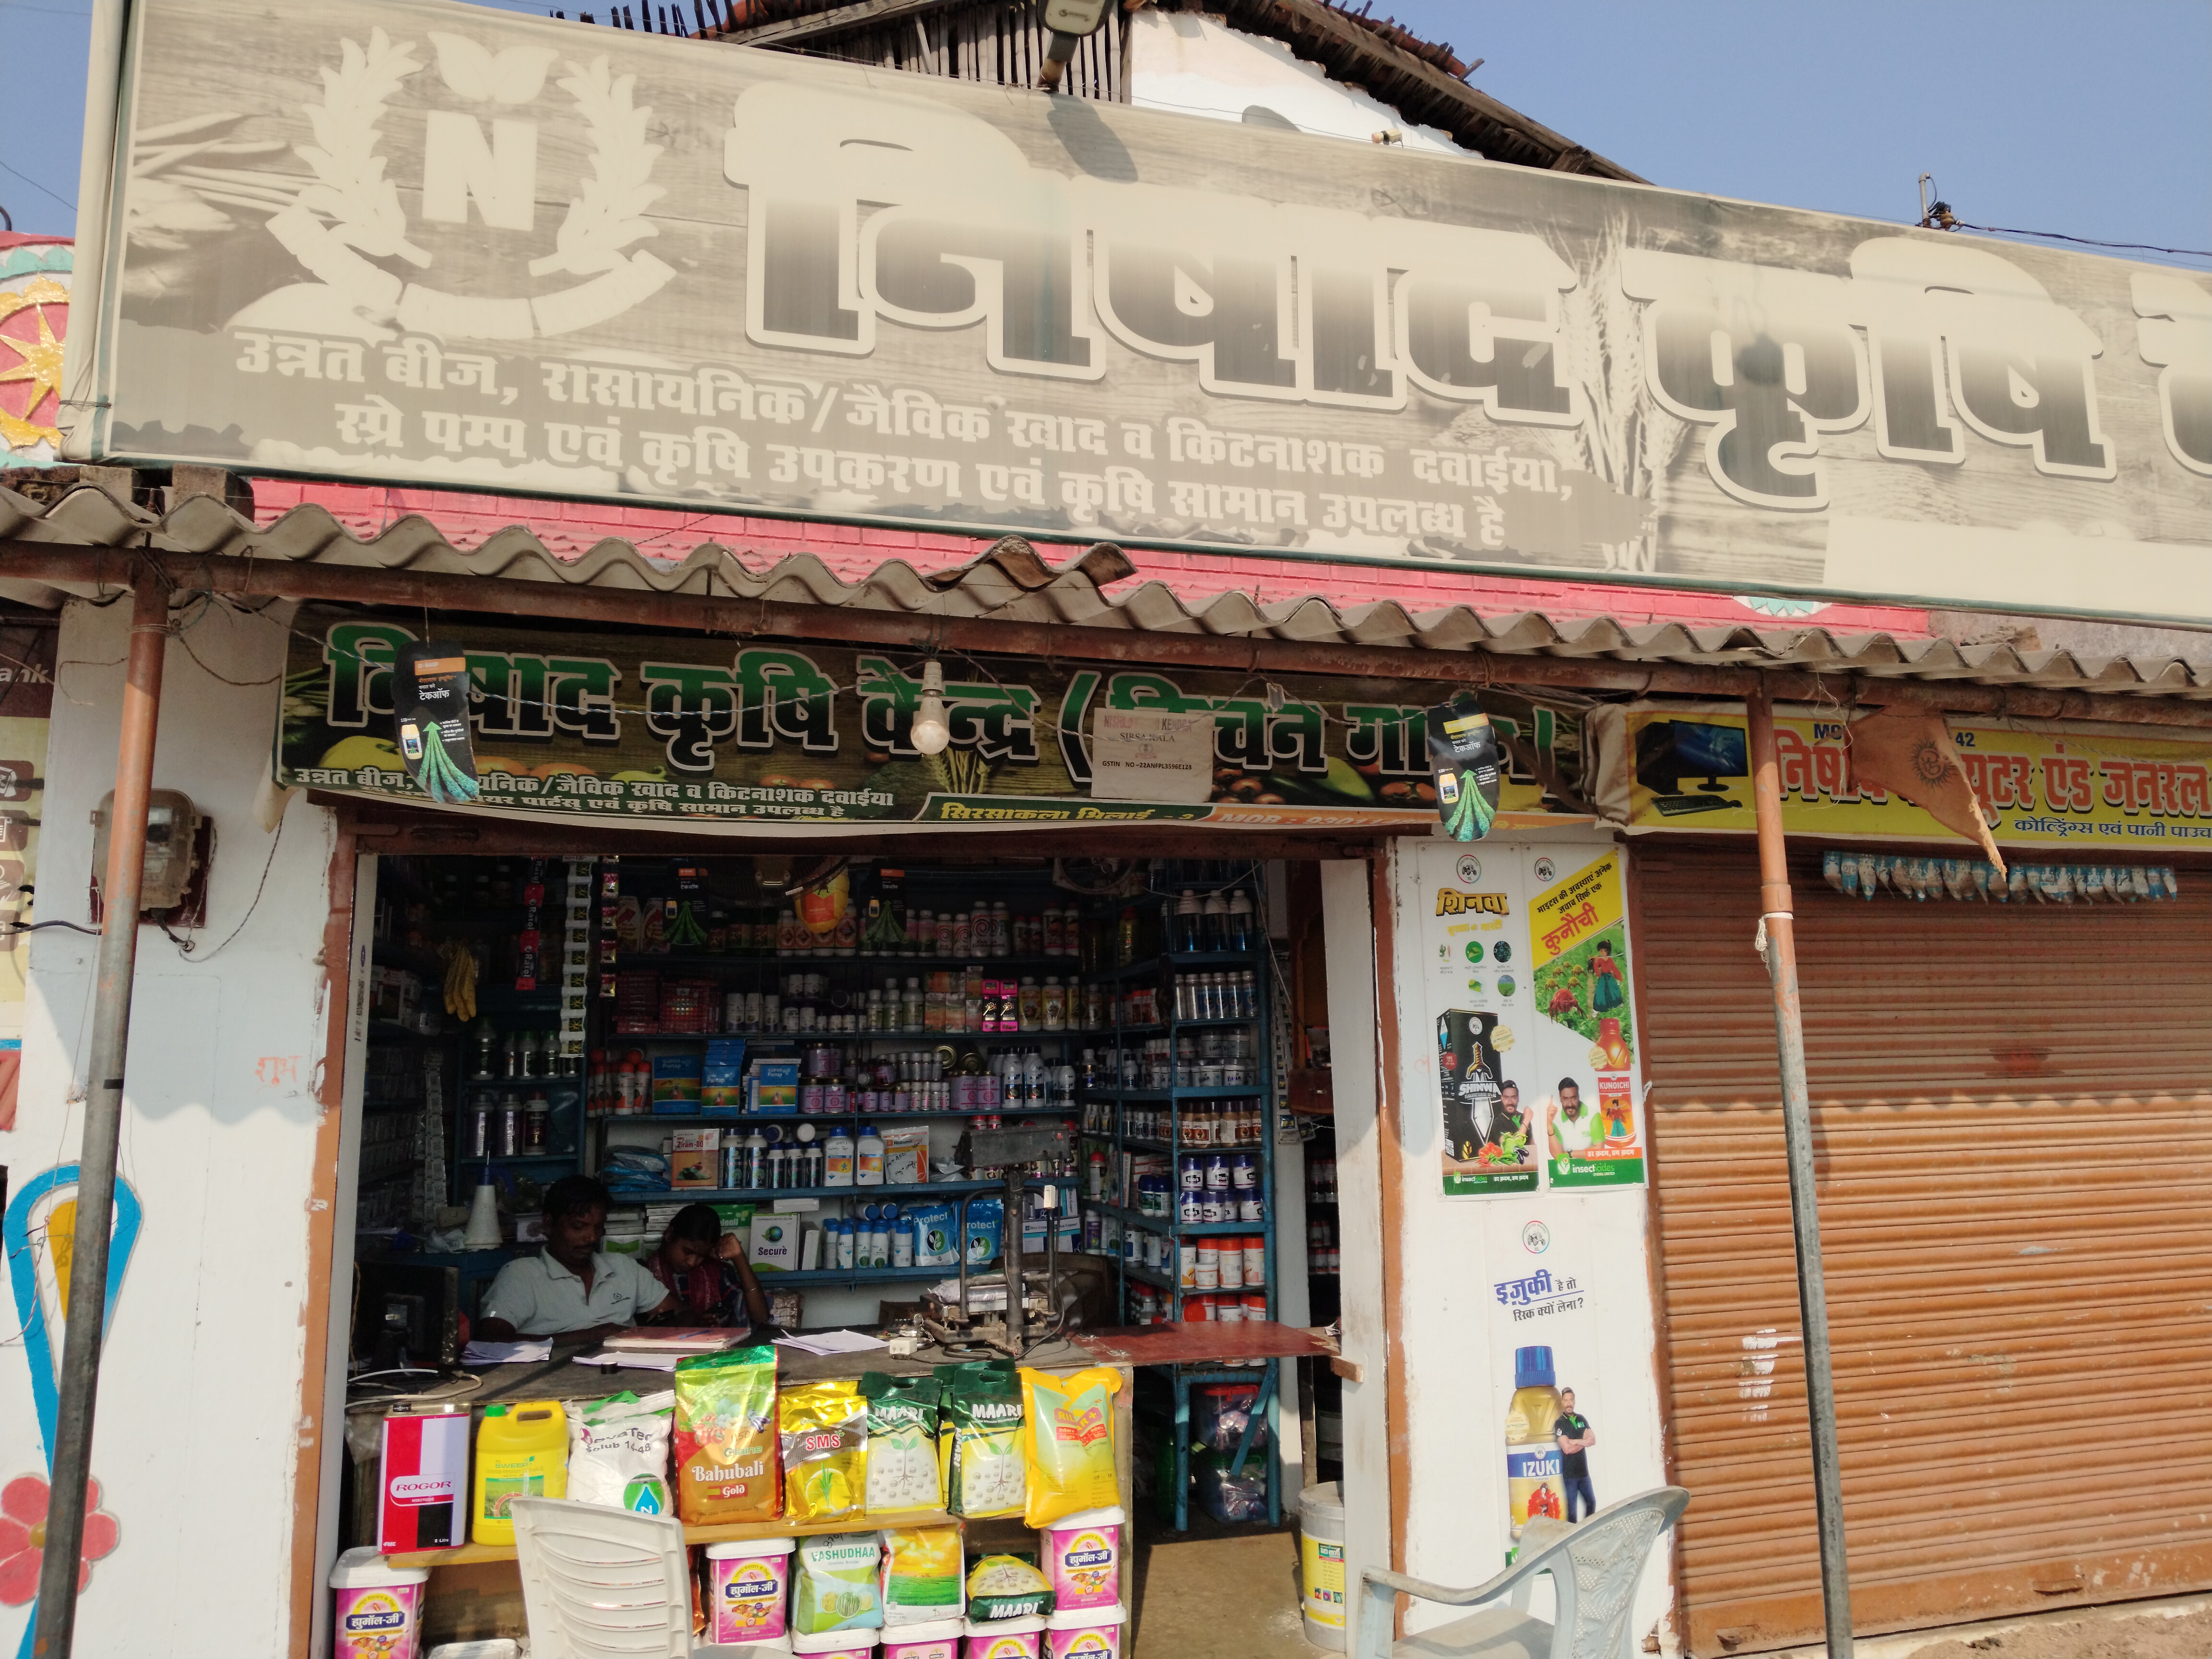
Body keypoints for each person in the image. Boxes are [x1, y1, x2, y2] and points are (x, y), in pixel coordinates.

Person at [475, 1175, 676, 1345]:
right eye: (579, 1227)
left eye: (599, 1227)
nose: (592, 1237)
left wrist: (661, 1327)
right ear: (548, 1225)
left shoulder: (624, 1267)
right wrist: (593, 1336)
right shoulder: (521, 1275)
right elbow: (491, 1340)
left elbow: (680, 1313)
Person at [642, 1202, 775, 1332]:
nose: (692, 1263)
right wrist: (693, 1324)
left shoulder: (717, 1273)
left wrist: (739, 1258)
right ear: (669, 1235)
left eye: (702, 1256)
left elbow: (760, 1317)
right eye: (687, 1251)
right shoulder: (643, 1276)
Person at [1554, 1387, 1597, 1521]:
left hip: (1584, 1474)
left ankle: (1587, 1530)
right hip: (1570, 1476)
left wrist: (1577, 1441)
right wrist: (1584, 1442)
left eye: (1571, 1400)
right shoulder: (1560, 1423)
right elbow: (1567, 1449)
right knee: (1572, 1513)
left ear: (1574, 1401)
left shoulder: (1581, 1419)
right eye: (1566, 1400)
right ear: (1562, 1402)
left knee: (1592, 1503)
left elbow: (1593, 1440)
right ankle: (1574, 1534)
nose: (1569, 1404)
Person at [1547, 1078, 1598, 1162]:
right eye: (1566, 1099)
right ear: (1560, 1098)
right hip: (1568, 1169)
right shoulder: (1555, 1121)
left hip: (1593, 1168)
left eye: (1573, 1098)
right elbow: (1558, 1156)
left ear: (1578, 1096)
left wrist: (1569, 1154)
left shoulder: (1593, 1115)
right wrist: (1549, 1124)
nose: (1570, 1104)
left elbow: (1599, 1150)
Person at [1589, 941, 1625, 1014]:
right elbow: (1596, 968)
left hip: (1609, 976)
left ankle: (1619, 1002)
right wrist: (1599, 973)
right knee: (1600, 991)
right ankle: (1597, 1009)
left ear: (1608, 952)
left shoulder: (1610, 960)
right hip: (1602, 977)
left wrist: (1617, 975)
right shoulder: (1600, 959)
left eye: (1605, 951)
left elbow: (1614, 968)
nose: (1603, 953)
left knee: (1614, 988)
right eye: (1601, 951)